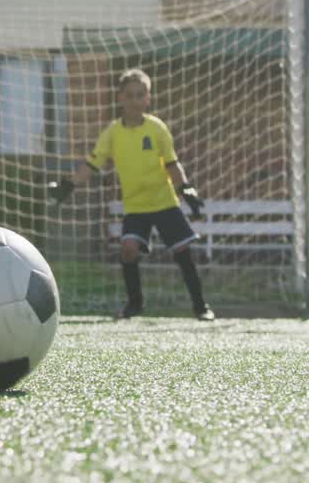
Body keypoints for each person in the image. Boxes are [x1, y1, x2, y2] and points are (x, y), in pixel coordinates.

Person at [48, 68, 215, 321]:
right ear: (121, 98)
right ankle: (135, 304)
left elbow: (172, 164)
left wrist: (186, 189)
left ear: (148, 98)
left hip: (164, 202)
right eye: (130, 95)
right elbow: (92, 164)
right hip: (135, 207)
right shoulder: (112, 133)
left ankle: (201, 306)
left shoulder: (157, 128)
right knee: (128, 249)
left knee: (182, 252)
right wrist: (67, 186)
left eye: (140, 95)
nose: (135, 100)